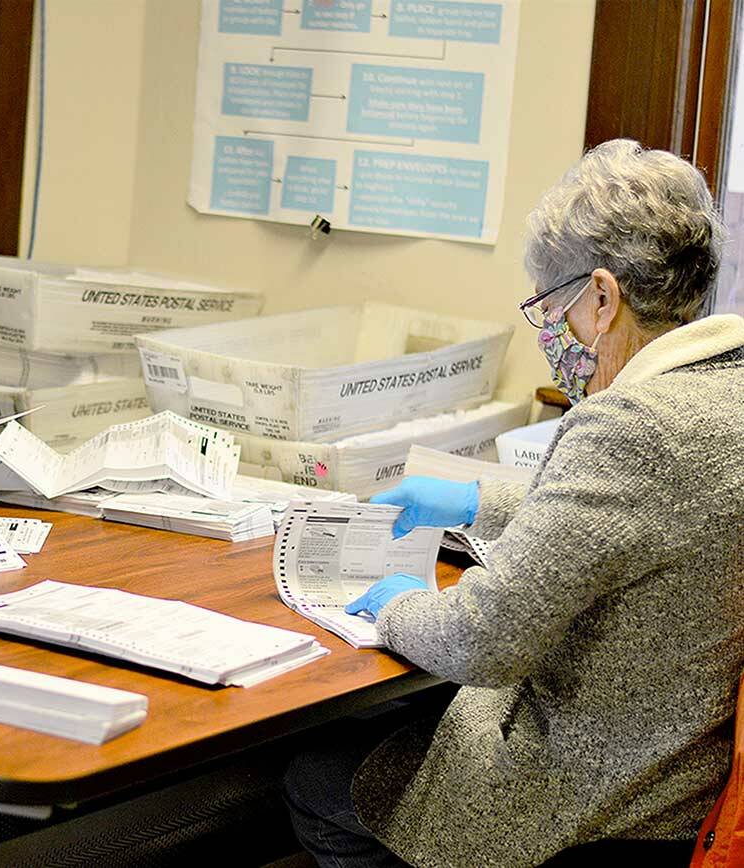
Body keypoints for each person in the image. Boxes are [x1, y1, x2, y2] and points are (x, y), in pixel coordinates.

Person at [284, 139, 744, 867]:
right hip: (687, 774)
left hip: (597, 795)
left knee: (319, 777)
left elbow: (481, 643)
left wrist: (396, 605)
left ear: (601, 295)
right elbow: (643, 513)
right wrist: (474, 499)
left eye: (552, 304)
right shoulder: (726, 392)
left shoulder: (632, 425)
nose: (553, 330)